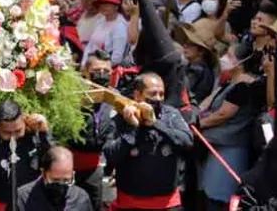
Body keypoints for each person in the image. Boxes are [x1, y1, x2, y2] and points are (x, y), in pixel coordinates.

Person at [105, 73, 194, 210]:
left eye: (161, 94)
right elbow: (111, 154)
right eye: (152, 94)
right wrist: (133, 128)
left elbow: (187, 141)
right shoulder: (121, 118)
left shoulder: (171, 114)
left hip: (167, 203)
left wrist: (155, 124)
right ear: (137, 95)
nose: (158, 98)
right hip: (130, 203)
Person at [198, 41, 261, 208]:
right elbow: (210, 101)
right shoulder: (230, 82)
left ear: (241, 62)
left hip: (231, 148)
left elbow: (224, 113)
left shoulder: (245, 85)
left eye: (230, 56)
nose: (224, 58)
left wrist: (199, 123)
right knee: (208, 193)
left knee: (219, 197)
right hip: (216, 144)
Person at [0, 100, 52, 211]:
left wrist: (44, 134)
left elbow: (52, 163)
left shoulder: (35, 135)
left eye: (18, 131)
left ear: (24, 120)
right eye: (6, 132)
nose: (13, 137)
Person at [68, 52, 116, 211]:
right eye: (97, 70)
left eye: (106, 71)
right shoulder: (71, 98)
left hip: (96, 168)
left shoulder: (116, 99)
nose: (102, 74)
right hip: (70, 167)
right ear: (86, 72)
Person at [15, 147, 92, 211]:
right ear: (43, 173)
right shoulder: (22, 198)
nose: (61, 185)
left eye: (66, 180)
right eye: (56, 180)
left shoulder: (81, 198)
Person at [80, 0, 128, 68]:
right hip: (90, 66)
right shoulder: (101, 20)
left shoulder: (120, 26)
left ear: (116, 6)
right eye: (101, 4)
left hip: (104, 70)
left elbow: (116, 58)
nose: (103, 6)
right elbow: (90, 45)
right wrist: (84, 64)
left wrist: (99, 67)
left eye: (107, 4)